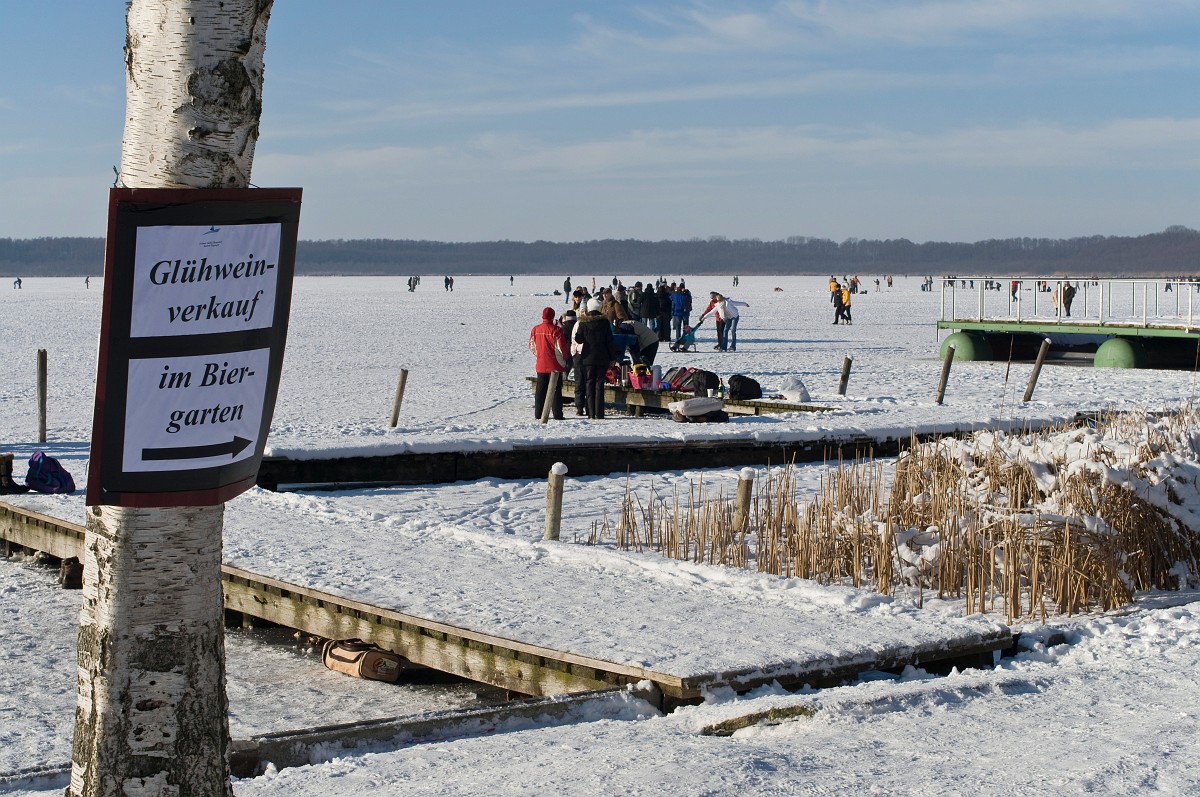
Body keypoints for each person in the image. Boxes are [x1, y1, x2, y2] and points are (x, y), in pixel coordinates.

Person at [574, 298, 616, 419]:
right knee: (599, 384)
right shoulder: (605, 322)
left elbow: (579, 339)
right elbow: (610, 341)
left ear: (588, 308)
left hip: (588, 358)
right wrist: (612, 357)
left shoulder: (583, 322)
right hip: (603, 357)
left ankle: (591, 412)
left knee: (589, 383)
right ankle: (599, 413)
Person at [529, 307, 569, 420]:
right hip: (555, 364)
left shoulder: (536, 329)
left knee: (540, 389)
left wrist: (539, 355)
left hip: (541, 363)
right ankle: (557, 414)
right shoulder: (556, 330)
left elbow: (531, 345)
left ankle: (538, 413)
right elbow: (561, 348)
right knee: (556, 390)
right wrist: (565, 359)